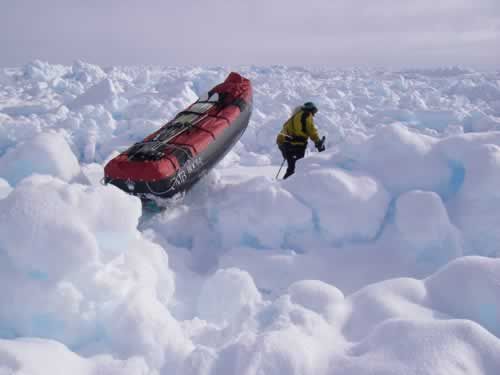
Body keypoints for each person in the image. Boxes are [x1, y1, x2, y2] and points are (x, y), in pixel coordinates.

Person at [276, 102, 325, 179]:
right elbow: (311, 130)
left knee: (291, 169)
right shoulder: (306, 115)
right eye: (314, 111)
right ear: (311, 109)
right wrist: (318, 142)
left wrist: (282, 148)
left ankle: (284, 186)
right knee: (296, 170)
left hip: (287, 146)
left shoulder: (291, 119)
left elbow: (281, 135)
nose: (314, 114)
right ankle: (289, 187)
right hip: (298, 146)